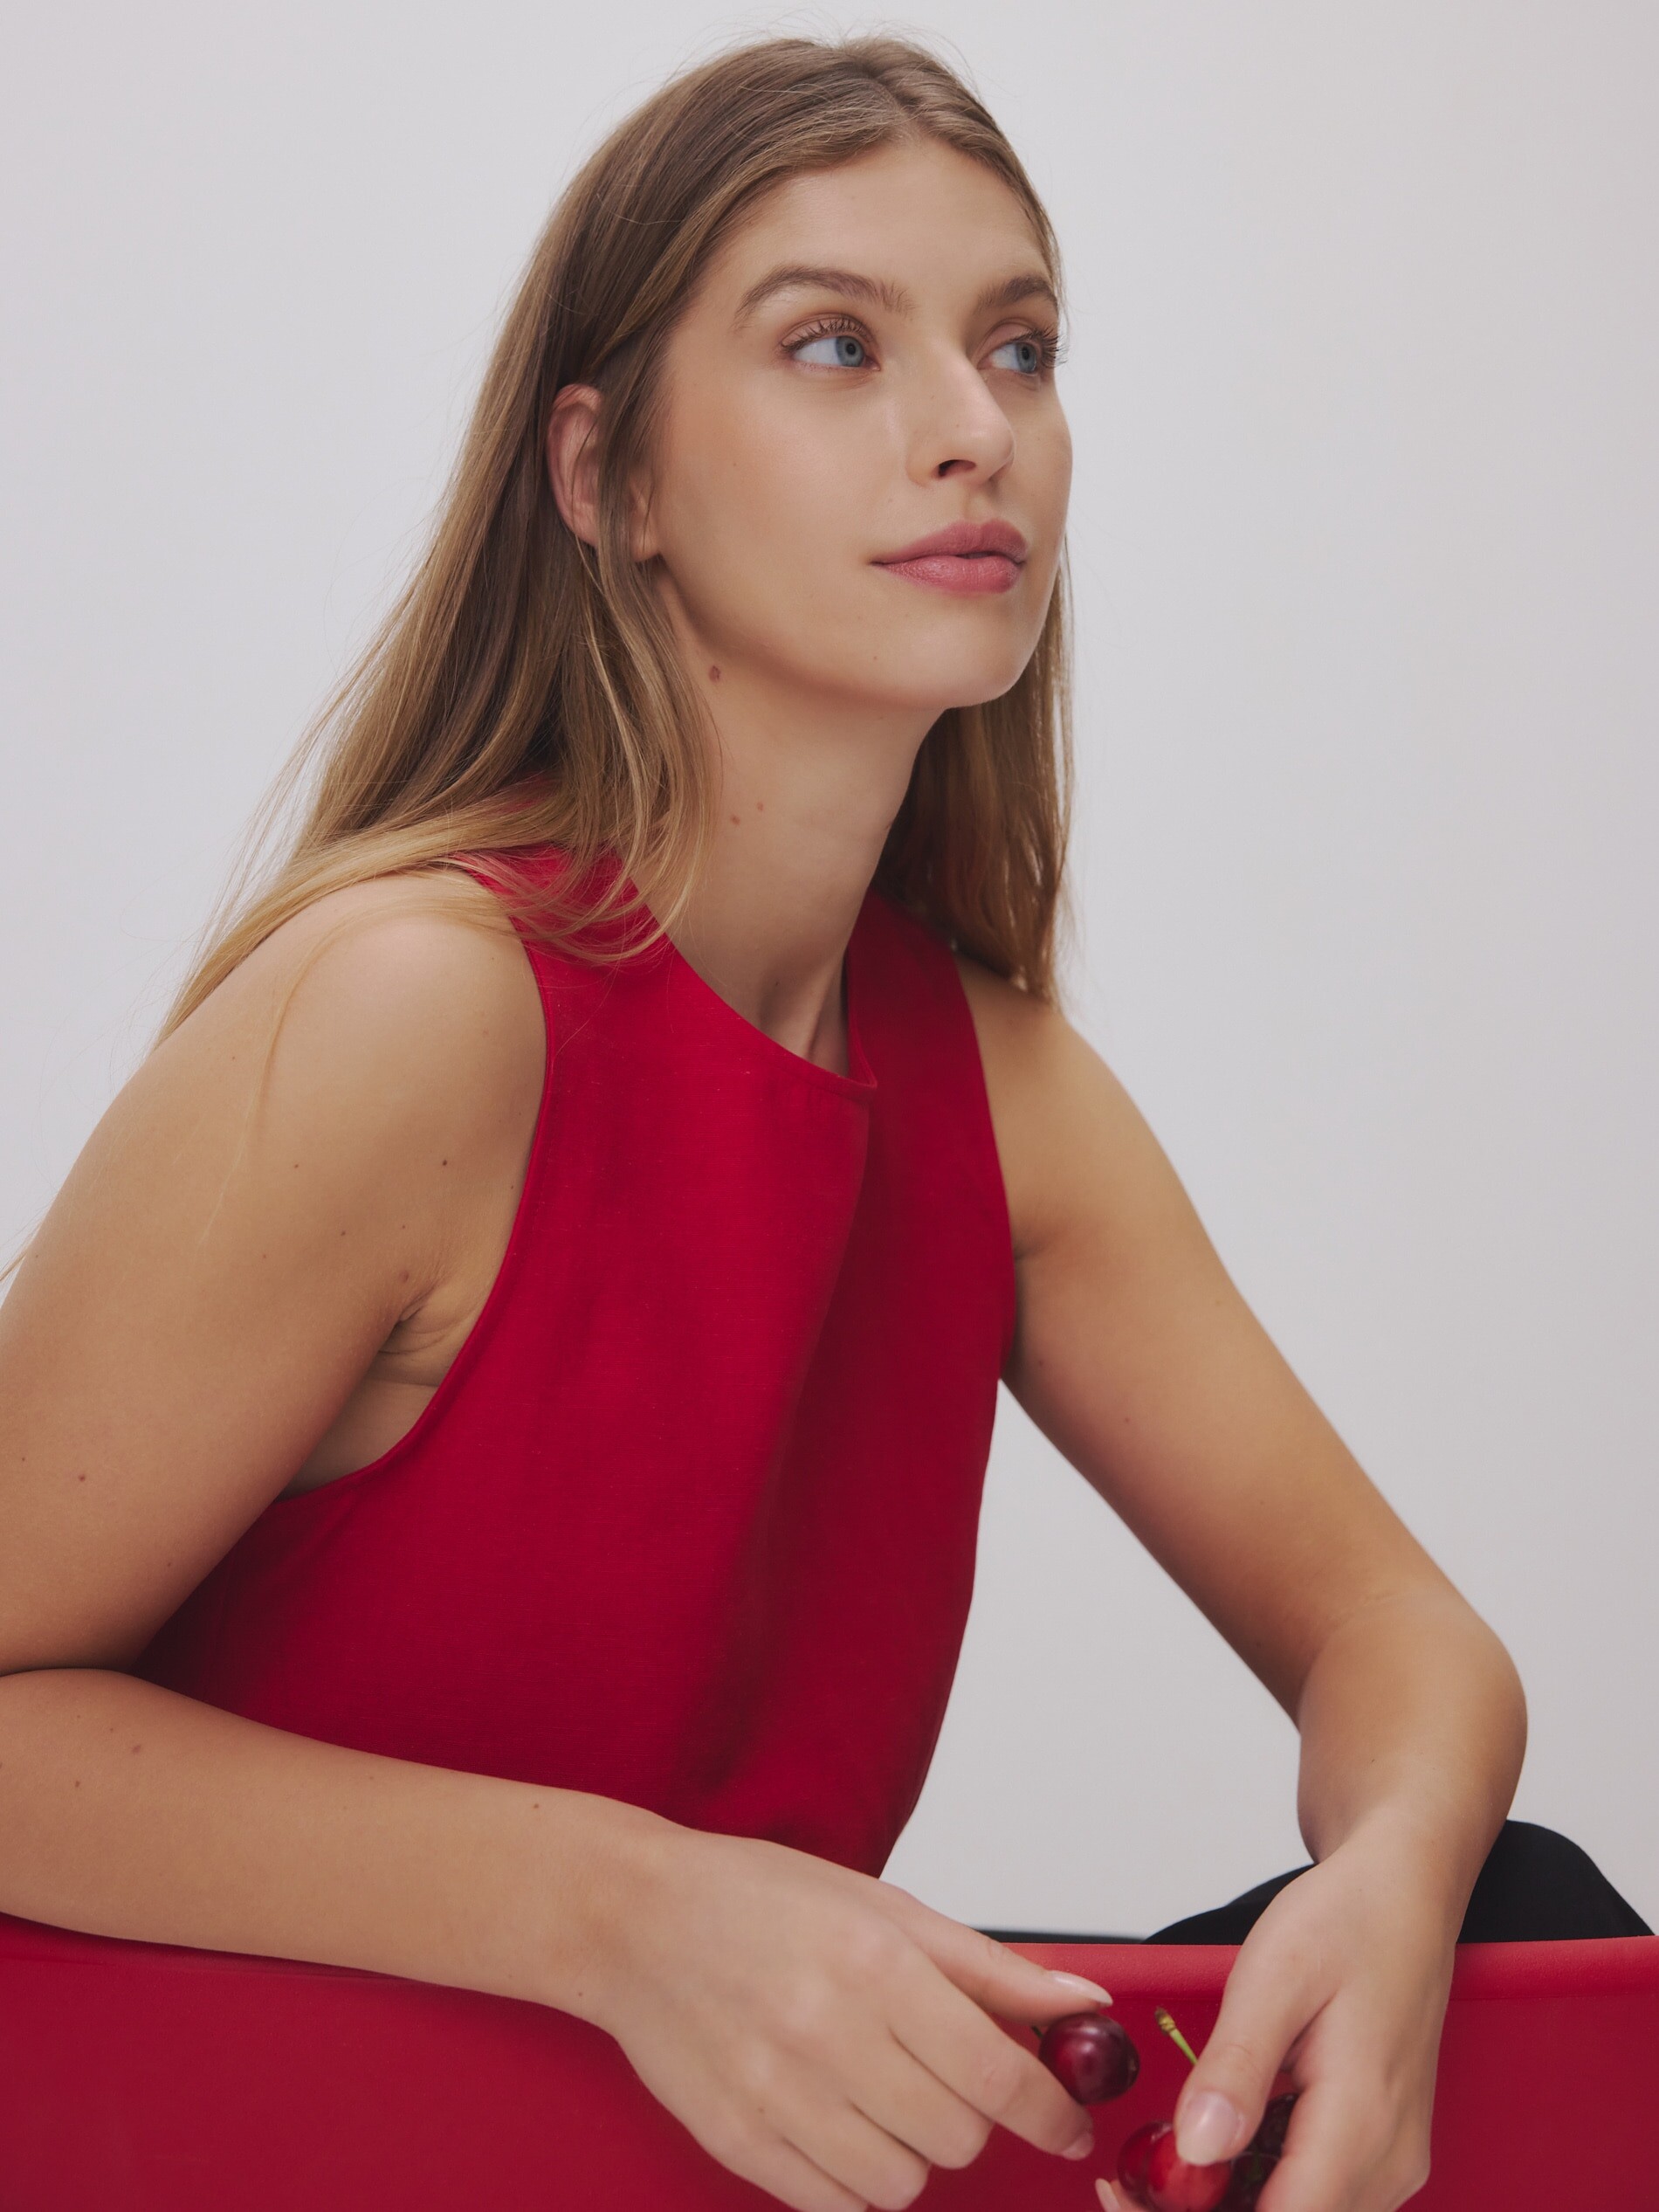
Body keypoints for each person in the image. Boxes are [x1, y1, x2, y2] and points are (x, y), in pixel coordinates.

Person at [0, 32, 1642, 2212]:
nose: (974, 427)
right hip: (254, 2154)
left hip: (691, 2171)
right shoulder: (412, 1010)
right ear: (607, 477)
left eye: (1018, 345)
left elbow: (1396, 1638)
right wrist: (618, 1911)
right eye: (836, 345)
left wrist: (1393, 1878)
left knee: (1517, 1918)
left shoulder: (996, 1093)